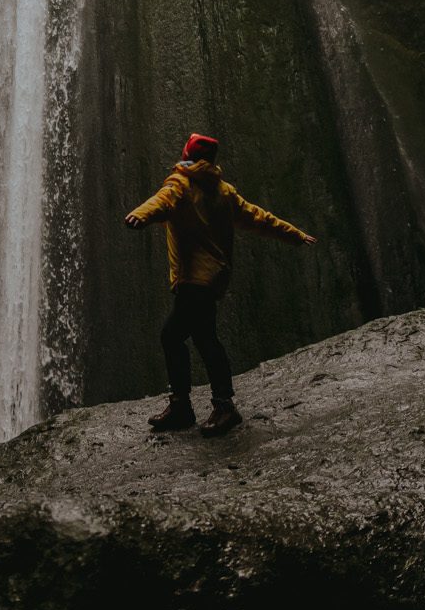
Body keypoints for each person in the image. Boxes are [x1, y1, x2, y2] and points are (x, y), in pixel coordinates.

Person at [124, 132, 315, 437]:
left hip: (193, 279)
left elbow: (161, 202)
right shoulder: (224, 192)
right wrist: (294, 234)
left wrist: (140, 215)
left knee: (174, 336)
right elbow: (260, 218)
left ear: (187, 155)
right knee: (203, 338)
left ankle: (197, 407)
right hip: (212, 279)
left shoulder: (180, 184)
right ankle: (210, 405)